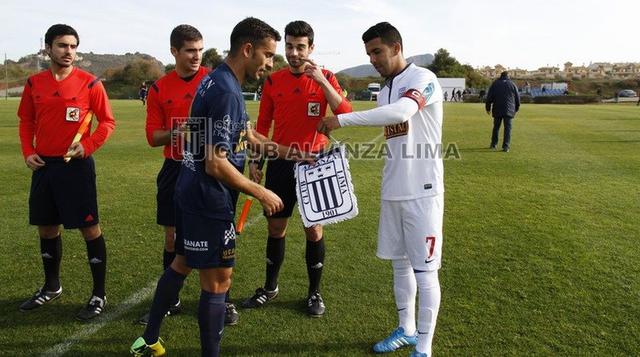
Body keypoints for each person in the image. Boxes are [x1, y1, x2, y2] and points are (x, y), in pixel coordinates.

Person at [130, 17, 313, 357]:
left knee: (181, 262)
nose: (271, 64)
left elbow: (249, 138)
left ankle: (148, 339)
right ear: (248, 49)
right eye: (269, 55)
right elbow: (216, 163)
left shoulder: (216, 80)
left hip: (189, 188)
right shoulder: (227, 91)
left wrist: (296, 154)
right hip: (207, 197)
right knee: (218, 282)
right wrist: (261, 191)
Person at [318, 22, 444, 357]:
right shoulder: (386, 89)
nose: (373, 59)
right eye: (369, 54)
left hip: (423, 191)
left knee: (426, 271)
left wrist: (340, 120)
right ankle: (404, 330)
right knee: (400, 265)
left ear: (396, 47)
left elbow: (404, 111)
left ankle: (423, 347)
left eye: (377, 51)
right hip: (394, 189)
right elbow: (390, 119)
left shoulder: (423, 79)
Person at [240, 20, 352, 317]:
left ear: (311, 48)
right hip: (279, 163)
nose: (294, 52)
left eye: (300, 47)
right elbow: (262, 127)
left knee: (313, 229)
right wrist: (255, 161)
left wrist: (323, 81)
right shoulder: (274, 81)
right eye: (289, 46)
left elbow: (345, 112)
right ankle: (270, 287)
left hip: (315, 165)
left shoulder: (326, 76)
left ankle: (314, 293)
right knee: (276, 227)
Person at [139, 24, 239, 326]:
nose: (197, 56)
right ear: (174, 52)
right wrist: (178, 131)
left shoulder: (214, 81)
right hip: (174, 167)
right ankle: (172, 299)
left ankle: (224, 300)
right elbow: (153, 137)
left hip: (211, 170)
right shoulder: (159, 88)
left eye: (199, 50)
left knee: (221, 237)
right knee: (173, 237)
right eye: (190, 51)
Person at [17, 24, 116, 320]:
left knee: (89, 228)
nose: (68, 51)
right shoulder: (34, 84)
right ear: (48, 47)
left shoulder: (90, 84)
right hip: (45, 167)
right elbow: (25, 122)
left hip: (76, 167)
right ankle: (51, 286)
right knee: (47, 228)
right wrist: (27, 151)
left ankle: (99, 294)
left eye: (73, 46)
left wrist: (87, 146)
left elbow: (107, 123)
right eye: (62, 45)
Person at [485, 71, 520, 152]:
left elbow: (489, 97)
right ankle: (506, 147)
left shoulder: (495, 84)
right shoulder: (512, 84)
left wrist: (488, 108)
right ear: (508, 76)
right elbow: (517, 98)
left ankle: (493, 144)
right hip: (509, 110)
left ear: (501, 76)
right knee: (507, 129)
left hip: (497, 108)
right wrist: (516, 109)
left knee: (496, 127)